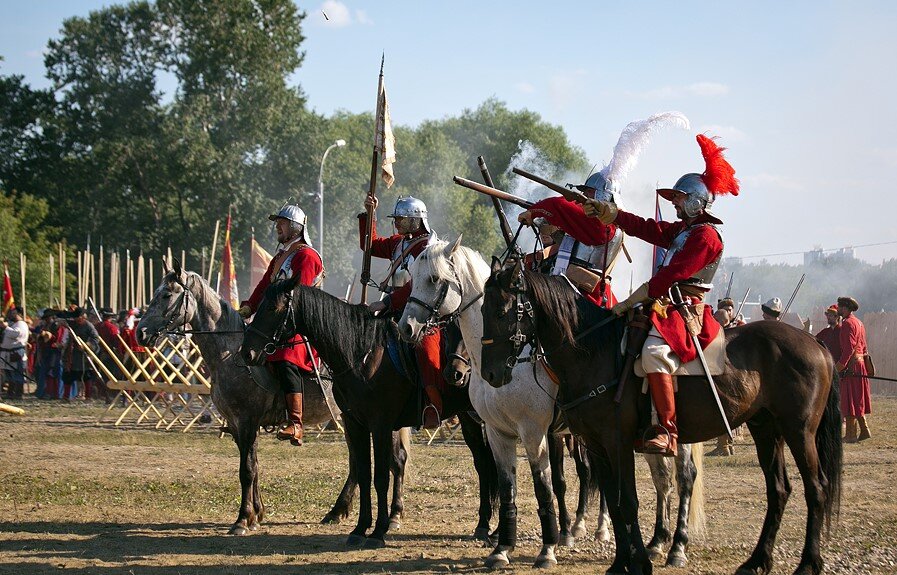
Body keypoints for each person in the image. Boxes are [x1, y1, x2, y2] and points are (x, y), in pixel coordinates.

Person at [584, 134, 739, 456]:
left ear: (697, 201)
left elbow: (674, 275)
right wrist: (609, 213)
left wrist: (636, 296)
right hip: (665, 303)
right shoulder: (684, 230)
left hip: (686, 309)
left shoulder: (706, 235)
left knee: (654, 353)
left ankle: (667, 431)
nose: (674, 203)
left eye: (680, 199)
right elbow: (647, 228)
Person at [239, 204, 323, 446]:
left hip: (301, 324)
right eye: (278, 223)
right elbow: (265, 286)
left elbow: (300, 295)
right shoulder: (279, 258)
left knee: (286, 358)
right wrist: (249, 307)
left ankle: (296, 423)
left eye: (282, 223)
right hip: (278, 323)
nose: (278, 226)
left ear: (295, 227)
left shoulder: (307, 256)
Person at [358, 195, 444, 429]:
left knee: (425, 352)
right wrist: (370, 214)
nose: (397, 221)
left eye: (402, 218)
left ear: (416, 220)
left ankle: (433, 405)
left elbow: (416, 284)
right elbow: (370, 246)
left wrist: (387, 302)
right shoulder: (399, 243)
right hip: (393, 307)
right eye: (397, 217)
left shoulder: (430, 248)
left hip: (421, 312)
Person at [516, 170, 623, 309]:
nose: (584, 195)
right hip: (570, 284)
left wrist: (534, 211)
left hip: (585, 293)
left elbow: (560, 205)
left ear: (604, 196)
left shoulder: (606, 226)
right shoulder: (592, 222)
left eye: (589, 192)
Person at [835, 296, 871, 442]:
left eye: (840, 306)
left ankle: (850, 435)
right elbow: (864, 347)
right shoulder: (859, 323)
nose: (838, 309)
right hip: (859, 363)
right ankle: (865, 431)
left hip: (852, 365)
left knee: (849, 399)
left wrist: (838, 367)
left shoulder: (848, 323)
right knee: (857, 399)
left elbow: (849, 349)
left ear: (845, 308)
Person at [58, 307, 101, 401]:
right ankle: (66, 396)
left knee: (86, 376)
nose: (76, 319)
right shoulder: (72, 324)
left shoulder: (88, 326)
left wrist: (86, 345)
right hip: (71, 354)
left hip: (83, 355)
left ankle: (88, 396)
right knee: (68, 375)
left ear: (83, 317)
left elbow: (95, 339)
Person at [0, 308, 30, 400]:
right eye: (12, 313)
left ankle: (18, 393)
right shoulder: (13, 324)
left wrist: (6, 327)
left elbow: (17, 334)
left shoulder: (22, 324)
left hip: (16, 352)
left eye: (14, 313)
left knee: (17, 373)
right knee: (9, 374)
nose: (12, 315)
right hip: (7, 352)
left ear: (19, 314)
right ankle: (11, 392)